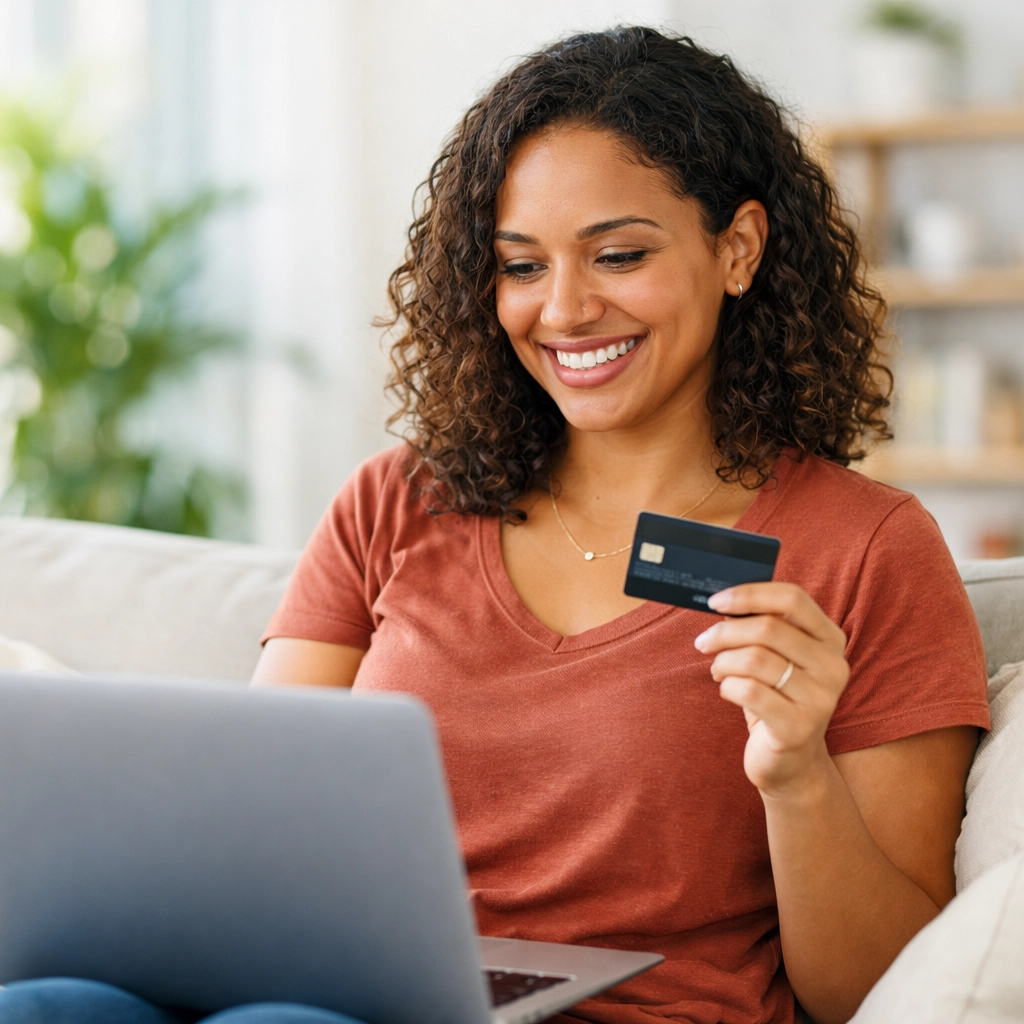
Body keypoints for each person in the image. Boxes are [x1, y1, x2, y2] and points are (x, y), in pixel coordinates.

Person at [3, 27, 989, 1024]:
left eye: (617, 254)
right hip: (351, 991)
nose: (563, 309)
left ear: (737, 248)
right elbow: (252, 820)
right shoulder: (396, 502)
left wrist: (798, 774)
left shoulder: (866, 549)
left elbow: (877, 992)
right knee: (44, 999)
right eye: (520, 267)